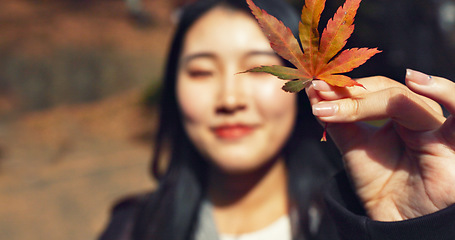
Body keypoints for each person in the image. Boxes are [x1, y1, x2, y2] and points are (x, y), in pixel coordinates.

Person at [98, 0, 455, 239]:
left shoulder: (353, 223)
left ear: (302, 86)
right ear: (174, 92)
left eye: (257, 69)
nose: (230, 99)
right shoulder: (130, 228)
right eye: (202, 71)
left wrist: (420, 227)